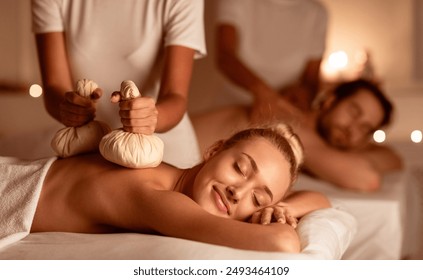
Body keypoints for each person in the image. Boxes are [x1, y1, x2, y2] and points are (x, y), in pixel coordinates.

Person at [1, 124, 330, 252]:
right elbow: (283, 243)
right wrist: (276, 212)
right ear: (214, 150)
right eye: (240, 168)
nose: (238, 193)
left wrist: (284, 207)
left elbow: (322, 199)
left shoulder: (169, 175)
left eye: (257, 198)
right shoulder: (156, 199)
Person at [31, 0, 206, 168]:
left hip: (162, 152)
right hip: (86, 152)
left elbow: (175, 95)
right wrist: (69, 109)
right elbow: (54, 85)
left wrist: (151, 117)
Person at [193, 79, 403, 192]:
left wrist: (358, 146)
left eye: (365, 128)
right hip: (167, 152)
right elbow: (366, 179)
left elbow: (395, 160)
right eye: (353, 112)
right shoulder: (288, 122)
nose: (353, 129)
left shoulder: (314, 139)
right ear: (330, 101)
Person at [214, 0, 328, 120]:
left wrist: (299, 95)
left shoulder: (316, 13)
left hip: (281, 114)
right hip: (229, 107)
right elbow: (225, 57)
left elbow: (311, 79)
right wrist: (262, 92)